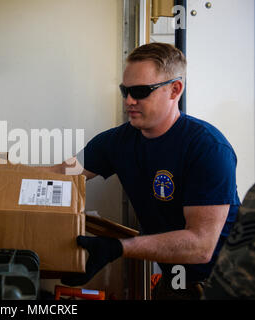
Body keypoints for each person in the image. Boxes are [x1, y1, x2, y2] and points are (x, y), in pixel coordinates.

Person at [48, 42, 241, 300]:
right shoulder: (115, 142)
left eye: (140, 91)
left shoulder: (207, 148)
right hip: (175, 281)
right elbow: (61, 173)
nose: (129, 100)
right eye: (125, 91)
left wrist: (116, 249)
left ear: (175, 90)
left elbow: (200, 245)